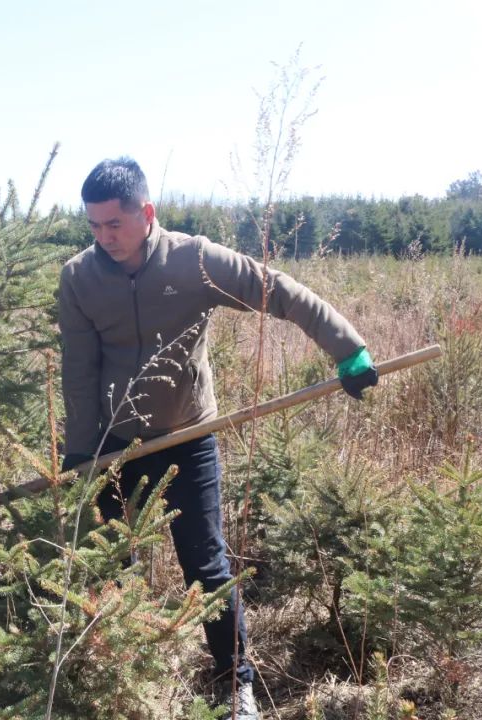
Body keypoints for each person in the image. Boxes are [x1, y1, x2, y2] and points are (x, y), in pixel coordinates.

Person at [58, 158, 377, 719]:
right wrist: (83, 454)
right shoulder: (80, 277)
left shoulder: (195, 260)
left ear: (146, 213)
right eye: (94, 226)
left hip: (188, 438)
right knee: (114, 567)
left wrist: (346, 348)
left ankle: (237, 686)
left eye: (114, 224)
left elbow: (278, 292)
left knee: (205, 565)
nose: (104, 237)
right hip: (115, 447)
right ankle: (127, 688)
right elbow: (80, 373)